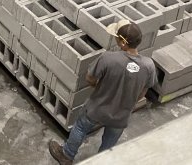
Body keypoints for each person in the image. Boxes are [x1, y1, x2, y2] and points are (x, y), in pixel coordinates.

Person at [48, 19, 157, 165]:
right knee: (109, 144)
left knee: (80, 127)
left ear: (123, 43)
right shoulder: (149, 65)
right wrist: (126, 100)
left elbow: (90, 79)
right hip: (121, 116)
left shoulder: (108, 58)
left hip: (97, 109)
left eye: (117, 37)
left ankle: (66, 156)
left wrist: (102, 88)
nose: (115, 39)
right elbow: (142, 93)